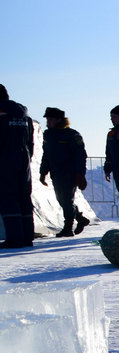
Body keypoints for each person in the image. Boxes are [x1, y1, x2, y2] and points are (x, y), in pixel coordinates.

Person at [38, 107, 91, 237]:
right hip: (56, 173)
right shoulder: (48, 135)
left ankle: (68, 227)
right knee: (61, 200)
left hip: (69, 173)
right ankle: (80, 218)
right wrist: (43, 172)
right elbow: (46, 155)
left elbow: (80, 155)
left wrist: (80, 175)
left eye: (50, 119)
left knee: (66, 200)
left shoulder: (71, 135)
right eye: (47, 119)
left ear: (59, 120)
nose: (48, 121)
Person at [0, 84, 36, 249]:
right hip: (24, 158)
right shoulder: (23, 115)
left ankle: (14, 238)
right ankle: (27, 236)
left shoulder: (1, 114)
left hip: (5, 159)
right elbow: (31, 140)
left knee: (8, 197)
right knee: (23, 196)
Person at [102, 104, 119, 211]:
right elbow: (109, 153)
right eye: (111, 117)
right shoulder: (111, 134)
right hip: (117, 169)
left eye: (114, 117)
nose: (112, 119)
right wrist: (107, 169)